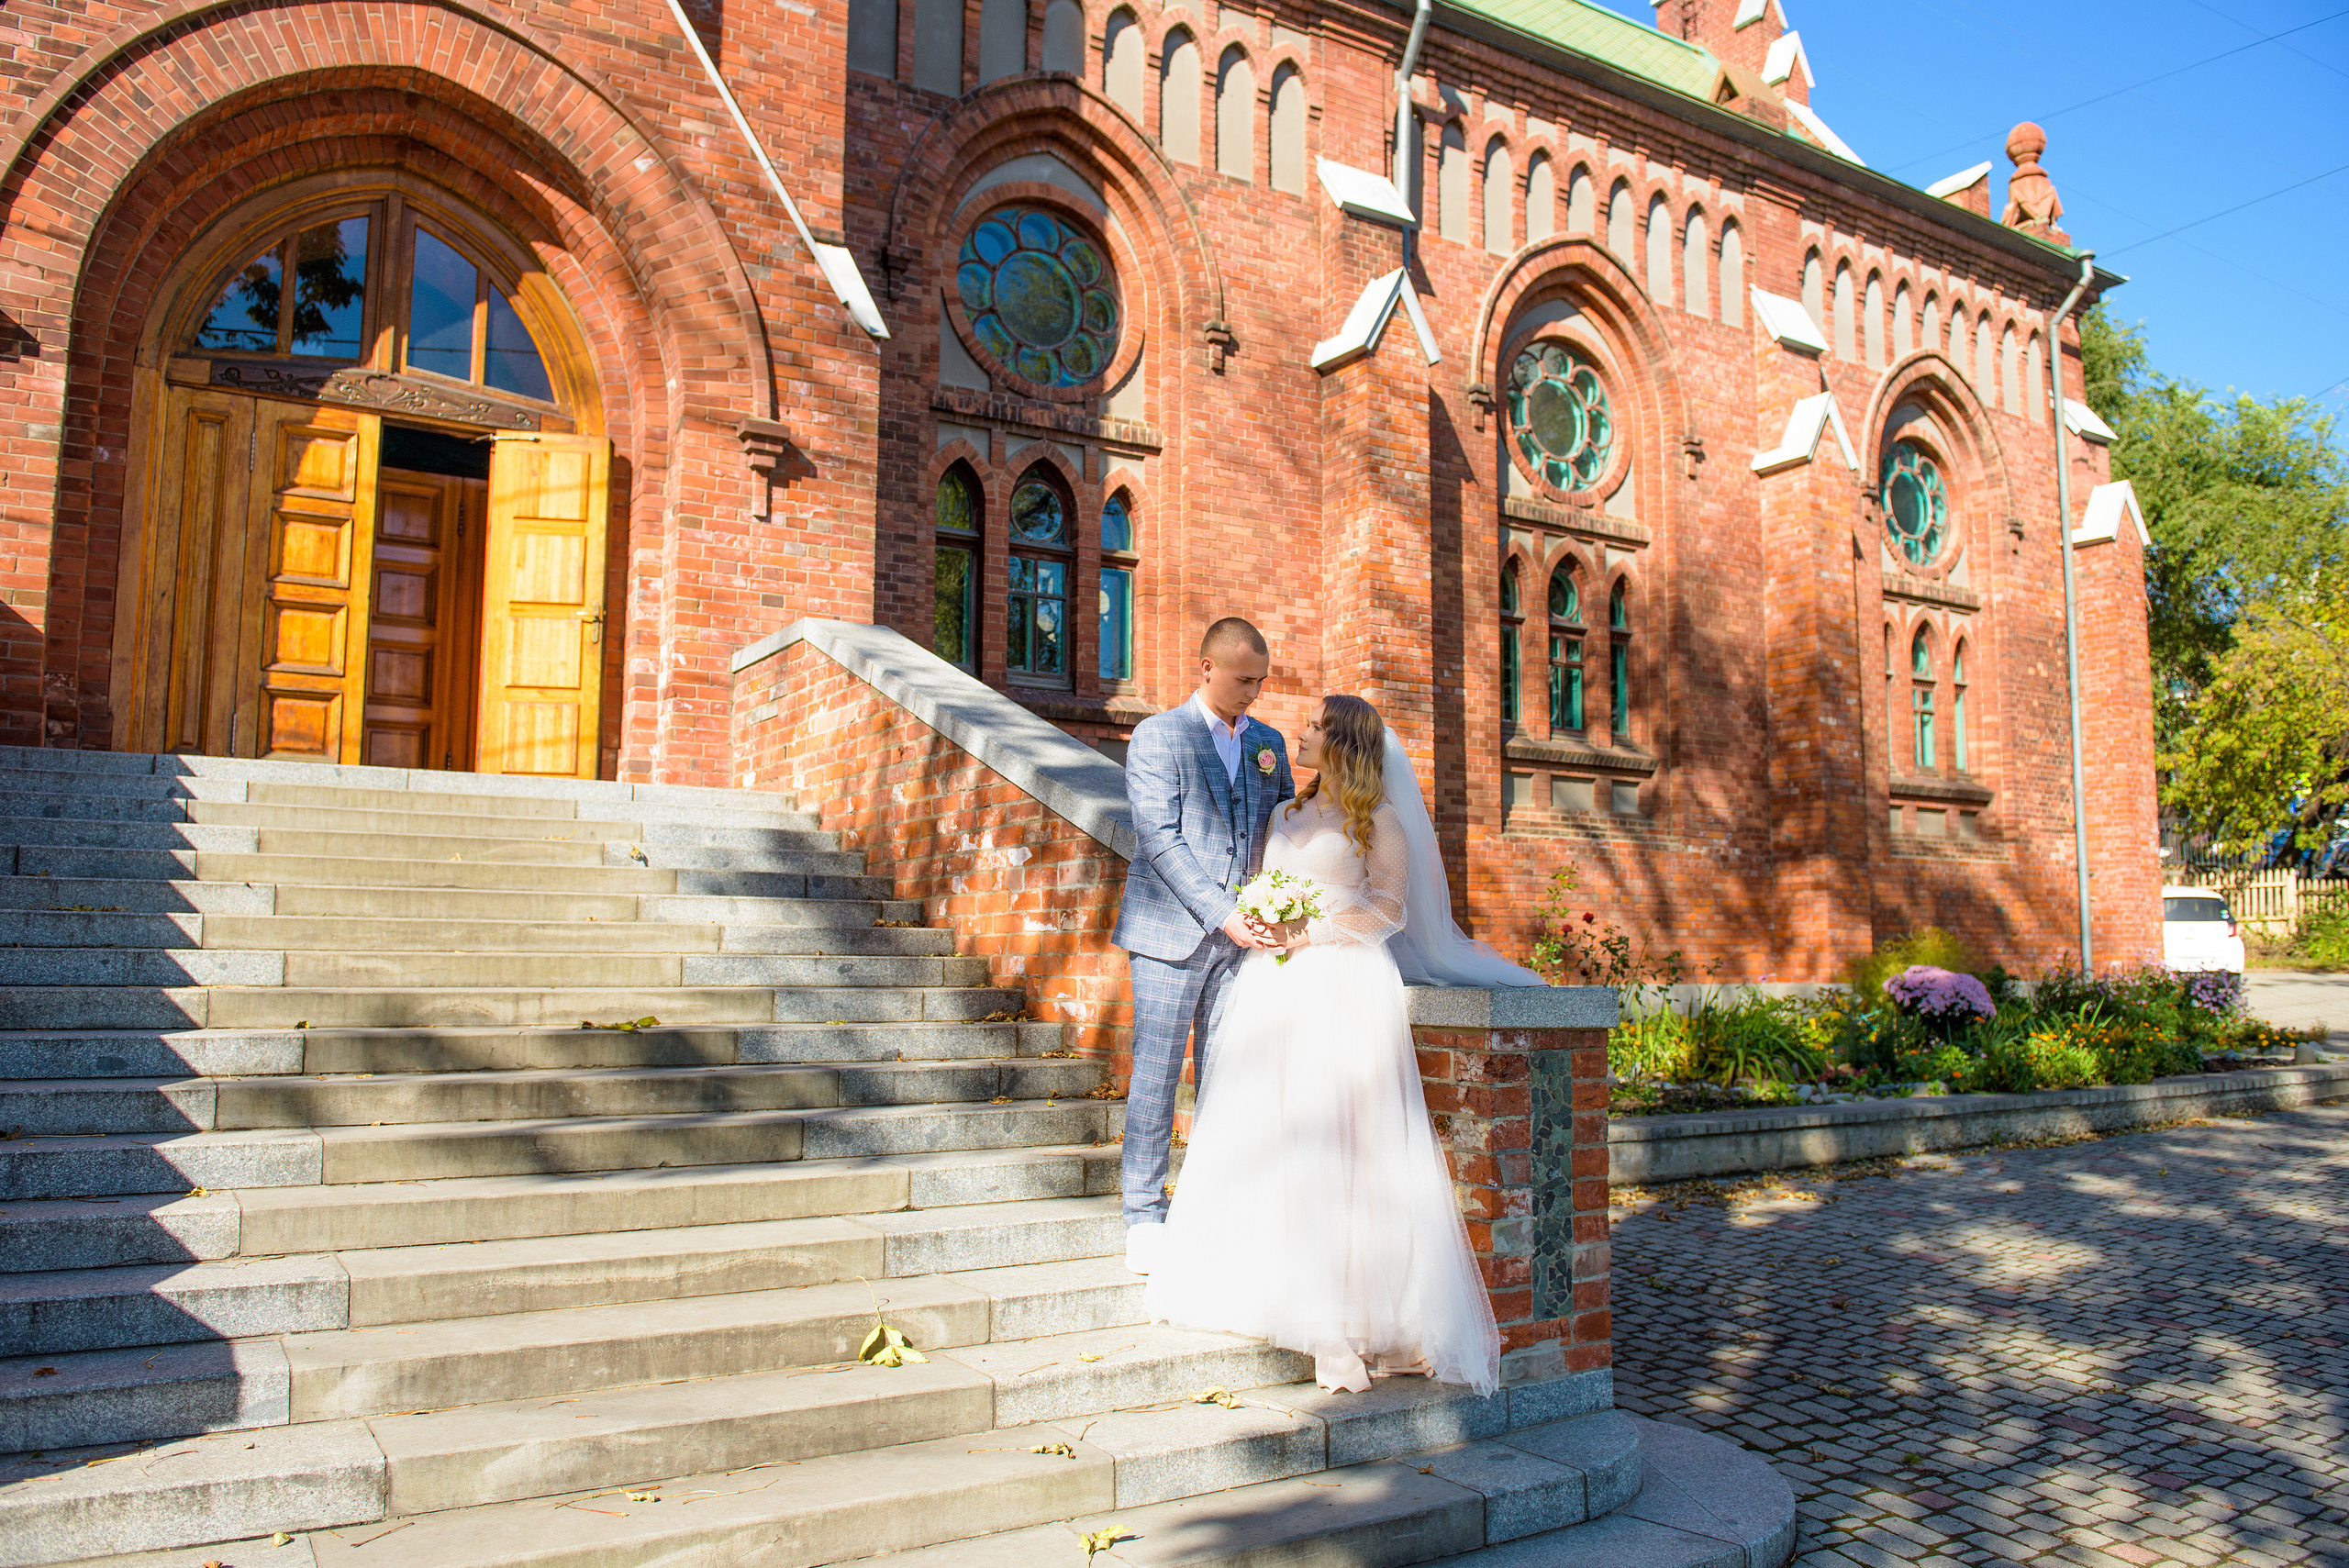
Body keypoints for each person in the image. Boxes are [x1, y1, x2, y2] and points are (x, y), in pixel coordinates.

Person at [1141, 694, 1545, 1395]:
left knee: (1350, 1143)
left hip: (1346, 983)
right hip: (1275, 987)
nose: (1297, 731)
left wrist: (1308, 931)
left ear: (1342, 742)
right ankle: (1276, 1291)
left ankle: (1350, 1321)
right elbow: (1266, 883)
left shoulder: (1379, 821)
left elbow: (1390, 908)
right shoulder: (1284, 813)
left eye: (1314, 726)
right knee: (1272, 1132)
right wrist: (1265, 918)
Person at [1109, 617, 1293, 1277]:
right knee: (1157, 1074)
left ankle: (1214, 1207)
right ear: (1208, 667)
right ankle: (1142, 1213)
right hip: (1168, 933)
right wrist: (1224, 913)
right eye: (1245, 679)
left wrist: (1284, 903)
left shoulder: (1270, 744)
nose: (1254, 692)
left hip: (1244, 941)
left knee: (1225, 1076)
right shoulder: (1160, 736)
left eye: (1261, 681)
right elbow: (1158, 838)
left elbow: (1285, 828)